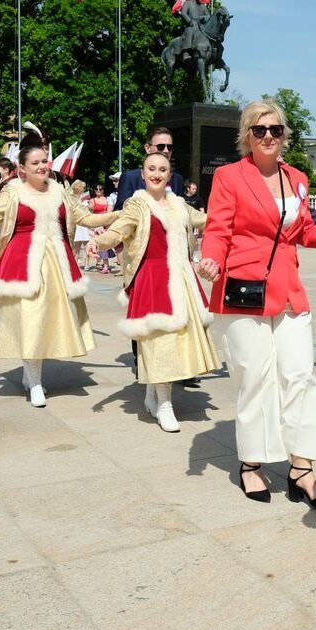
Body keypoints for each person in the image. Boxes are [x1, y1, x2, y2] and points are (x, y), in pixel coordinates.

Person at [197, 99, 316, 507]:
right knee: (254, 377)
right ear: (247, 135)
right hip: (242, 287)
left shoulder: (296, 178)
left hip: (289, 290)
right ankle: (252, 464)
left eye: (275, 129)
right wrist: (210, 258)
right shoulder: (228, 176)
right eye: (259, 130)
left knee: (300, 376)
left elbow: (306, 234)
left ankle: (301, 467)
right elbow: (219, 228)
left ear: (284, 135)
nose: (268, 137)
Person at [0, 146, 116, 407]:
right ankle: (35, 381)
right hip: (22, 263)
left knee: (49, 320)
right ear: (22, 169)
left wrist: (120, 215)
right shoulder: (13, 190)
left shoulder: (60, 190)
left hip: (57, 263)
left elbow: (84, 217)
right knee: (30, 319)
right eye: (35, 162)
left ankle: (30, 374)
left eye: (44, 161)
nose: (42, 166)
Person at [88, 152, 218, 432]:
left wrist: (239, 214)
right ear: (143, 174)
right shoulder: (137, 204)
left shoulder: (179, 203)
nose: (156, 173)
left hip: (181, 278)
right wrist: (99, 243)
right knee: (160, 343)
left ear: (170, 175)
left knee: (176, 341)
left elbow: (205, 219)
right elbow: (118, 231)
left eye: (162, 169)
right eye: (151, 169)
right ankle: (165, 405)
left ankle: (152, 396)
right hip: (153, 278)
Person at [114, 127, 186, 209]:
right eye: (161, 146)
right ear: (148, 148)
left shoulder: (177, 179)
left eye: (169, 147)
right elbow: (119, 213)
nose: (166, 151)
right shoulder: (130, 178)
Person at [89, 187, 114, 274]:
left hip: (105, 224)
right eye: (96, 189)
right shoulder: (92, 200)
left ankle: (105, 265)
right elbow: (90, 214)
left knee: (104, 245)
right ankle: (101, 264)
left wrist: (106, 224)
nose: (98, 191)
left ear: (103, 190)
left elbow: (109, 212)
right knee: (98, 246)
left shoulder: (108, 199)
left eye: (100, 189)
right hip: (96, 225)